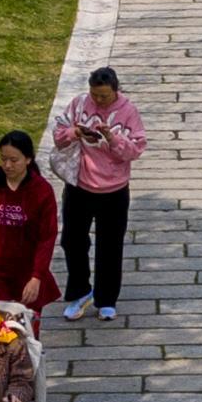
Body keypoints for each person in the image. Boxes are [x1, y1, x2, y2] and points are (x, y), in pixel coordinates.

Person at [50, 65, 147, 323]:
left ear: (115, 90)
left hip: (114, 190)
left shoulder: (128, 112)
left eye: (104, 96)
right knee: (72, 241)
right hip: (79, 186)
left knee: (110, 245)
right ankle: (80, 292)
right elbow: (59, 135)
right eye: (95, 95)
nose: (98, 100)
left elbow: (135, 149)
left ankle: (106, 299)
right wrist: (75, 132)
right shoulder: (79, 104)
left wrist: (112, 138)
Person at [0, 131, 59, 328]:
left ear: (28, 159)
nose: (8, 165)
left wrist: (37, 277)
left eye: (14, 160)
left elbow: (47, 237)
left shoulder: (42, 191)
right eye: (4, 159)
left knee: (24, 332)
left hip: (26, 274)